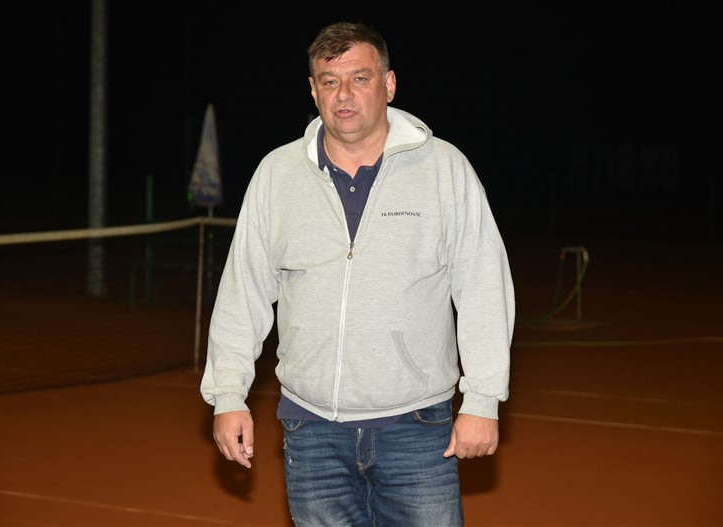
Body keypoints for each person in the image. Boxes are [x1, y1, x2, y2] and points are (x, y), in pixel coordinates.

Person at [201, 21, 515, 526]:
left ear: (388, 84)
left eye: (359, 78)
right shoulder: (277, 174)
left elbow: (483, 286)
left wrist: (482, 399)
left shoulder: (445, 169)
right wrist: (228, 395)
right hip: (311, 431)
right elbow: (244, 291)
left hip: (417, 427)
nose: (343, 94)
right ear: (313, 90)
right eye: (330, 81)